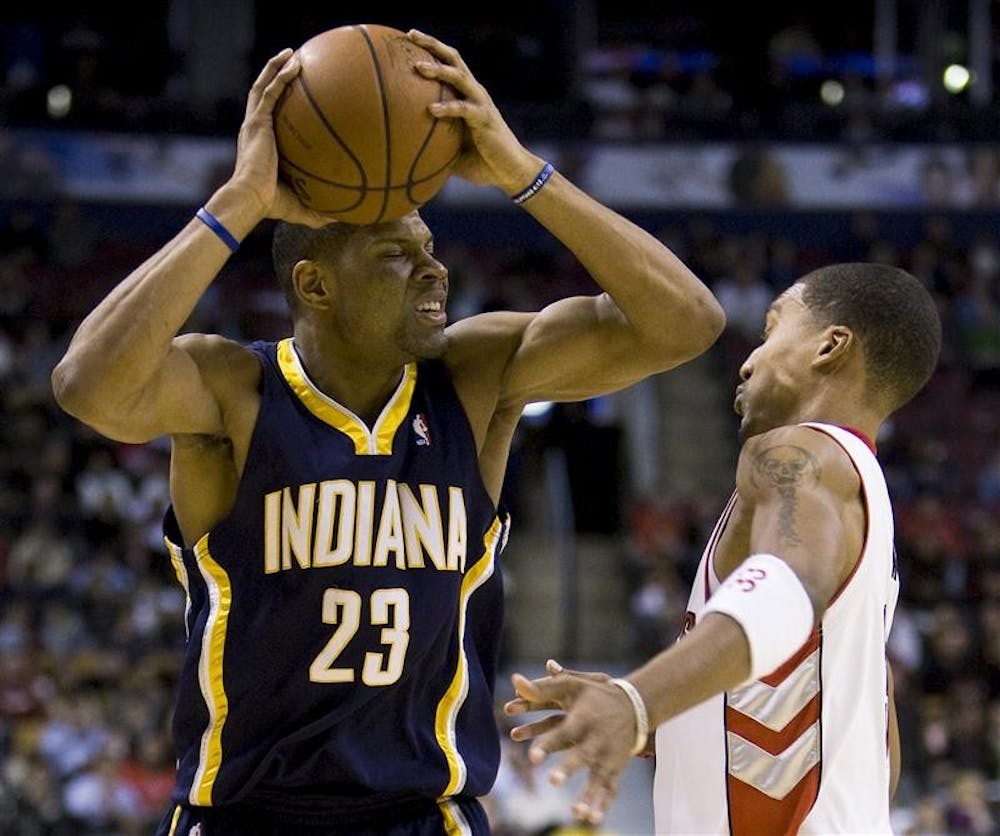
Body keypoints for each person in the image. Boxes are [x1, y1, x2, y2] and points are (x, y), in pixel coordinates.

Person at [50, 28, 724, 836]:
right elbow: (86, 385)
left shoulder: (474, 378)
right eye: (395, 256)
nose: (434, 269)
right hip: (249, 816)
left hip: (424, 814)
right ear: (315, 284)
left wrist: (522, 173)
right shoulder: (235, 393)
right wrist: (238, 201)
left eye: (430, 246)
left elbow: (686, 322)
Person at [506, 262, 942, 834]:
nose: (747, 360)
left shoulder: (795, 453)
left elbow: (788, 587)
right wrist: (666, 719)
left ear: (829, 347)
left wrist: (638, 702)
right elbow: (869, 733)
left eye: (771, 331)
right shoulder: (861, 495)